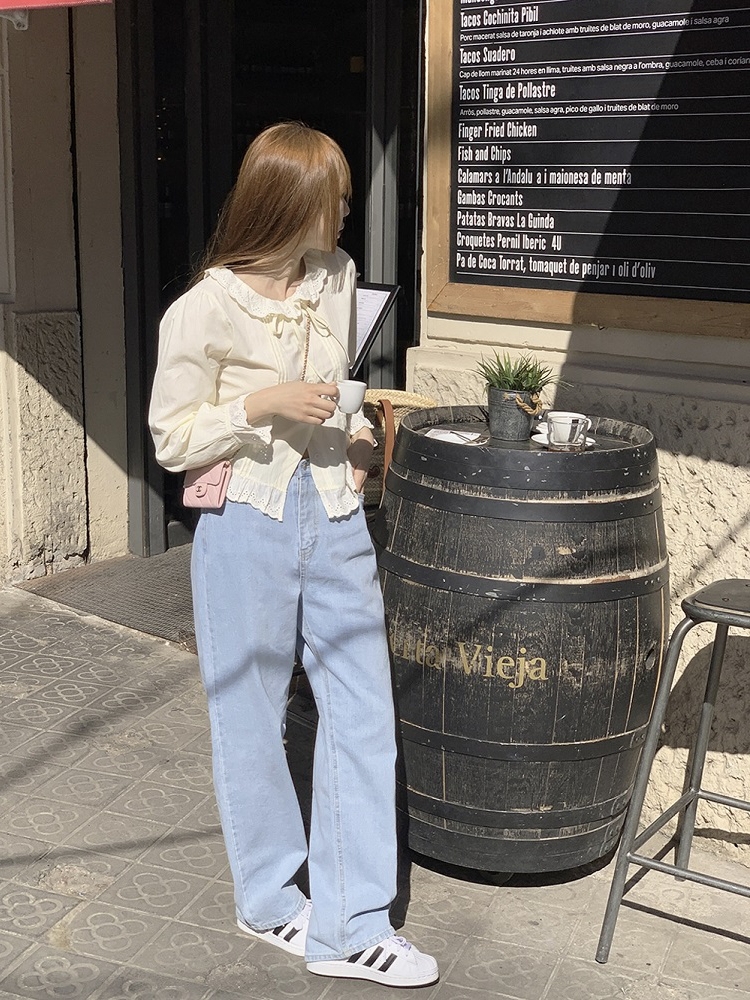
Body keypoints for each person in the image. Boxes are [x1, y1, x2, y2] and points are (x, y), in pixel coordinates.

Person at [148, 122, 438, 989]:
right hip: (248, 519)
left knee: (363, 711)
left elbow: (336, 391)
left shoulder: (337, 277)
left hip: (338, 514)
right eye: (334, 197)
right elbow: (171, 437)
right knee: (250, 714)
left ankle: (351, 925)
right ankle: (271, 899)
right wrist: (263, 403)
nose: (346, 211)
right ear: (289, 201)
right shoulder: (204, 309)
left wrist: (356, 440)